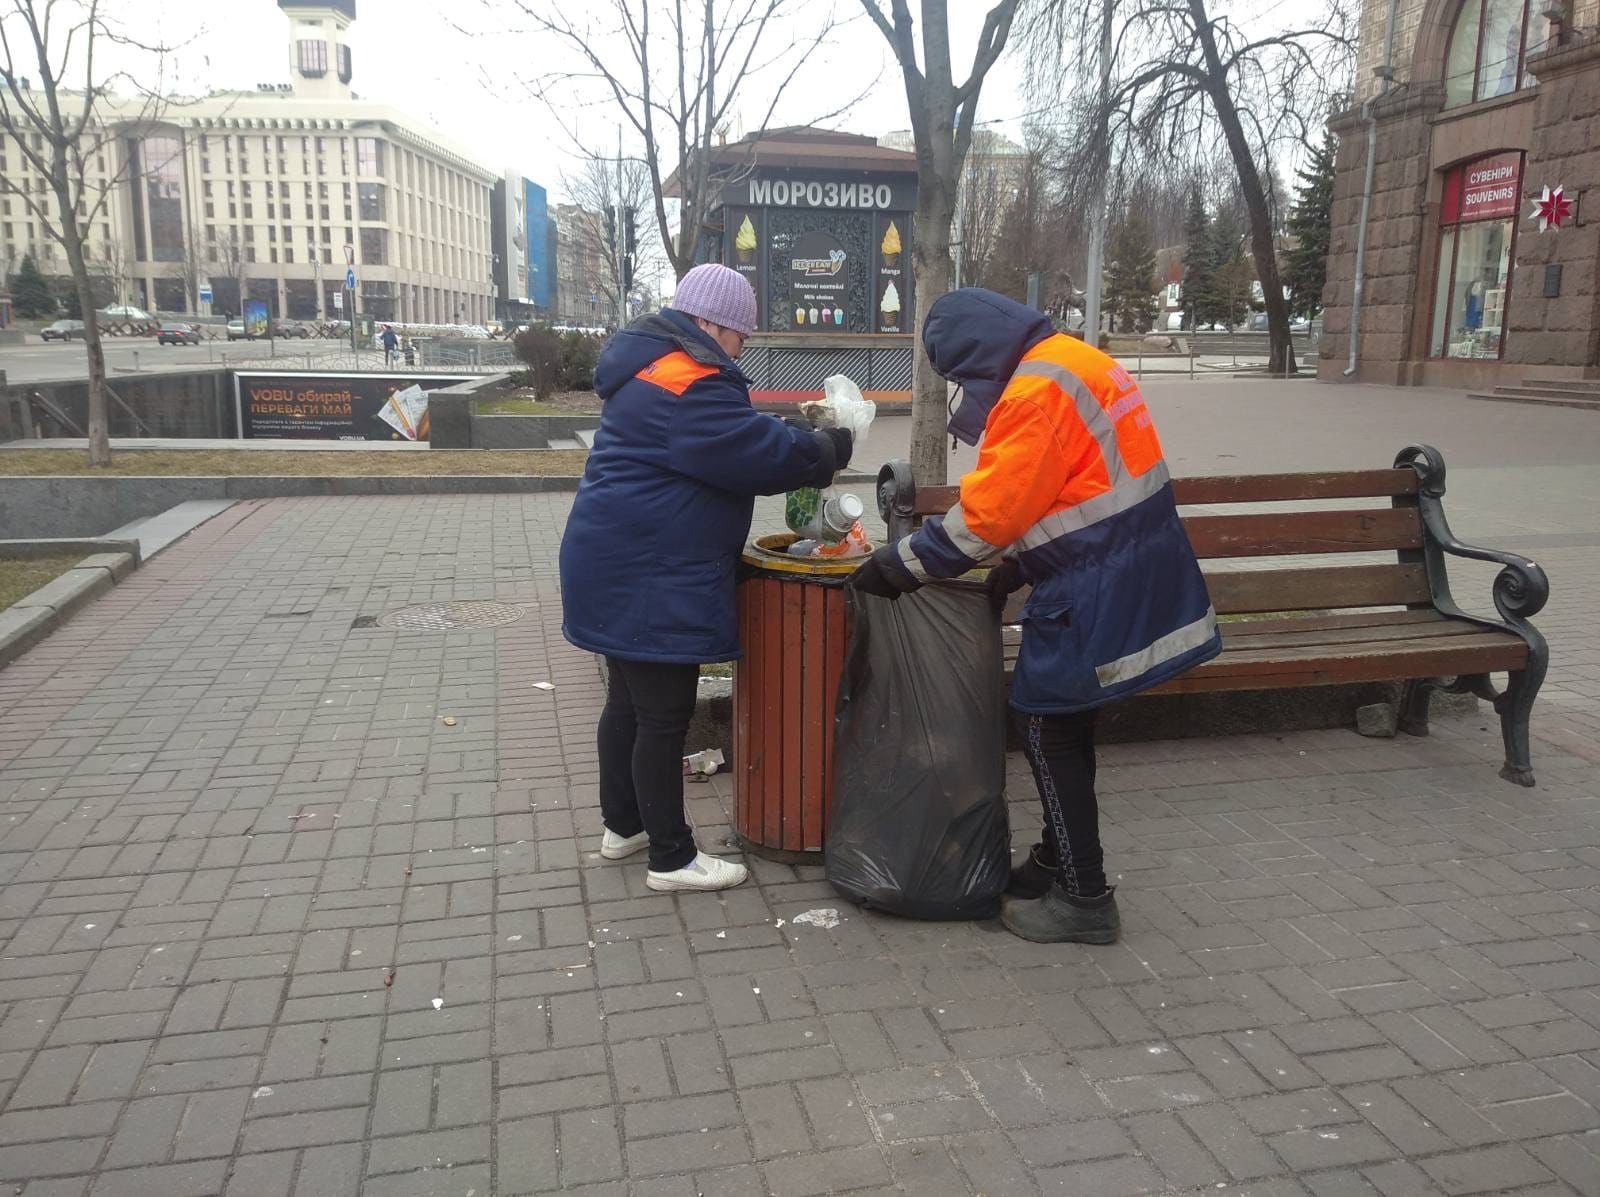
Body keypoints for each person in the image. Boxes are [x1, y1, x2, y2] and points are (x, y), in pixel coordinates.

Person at [848, 287, 1220, 944]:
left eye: (962, 373)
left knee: (1048, 725)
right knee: (1070, 722)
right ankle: (1057, 858)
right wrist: (1015, 570)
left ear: (977, 355)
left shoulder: (1030, 393)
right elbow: (1069, 484)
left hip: (1099, 579)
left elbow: (990, 515)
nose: (967, 387)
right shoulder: (1076, 360)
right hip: (1127, 561)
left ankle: (1084, 897)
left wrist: (900, 565)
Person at [560, 264, 852, 892]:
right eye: (741, 335)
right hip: (650, 574)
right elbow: (753, 455)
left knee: (628, 706)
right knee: (662, 715)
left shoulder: (656, 366)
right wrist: (829, 449)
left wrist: (792, 430)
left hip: (616, 562)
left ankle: (625, 826)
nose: (742, 347)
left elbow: (730, 436)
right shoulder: (690, 381)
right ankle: (671, 857)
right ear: (715, 325)